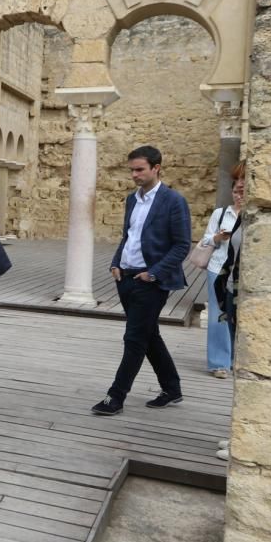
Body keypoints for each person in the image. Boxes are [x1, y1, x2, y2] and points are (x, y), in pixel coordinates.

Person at [92, 145, 191, 416]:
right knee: (149, 335)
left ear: (156, 168)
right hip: (125, 277)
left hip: (151, 281)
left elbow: (182, 246)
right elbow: (129, 236)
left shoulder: (174, 201)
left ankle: (116, 396)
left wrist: (153, 273)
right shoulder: (132, 199)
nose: (134, 175)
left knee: (134, 338)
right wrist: (115, 262)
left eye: (140, 169)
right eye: (132, 170)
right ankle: (172, 389)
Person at [200, 161, 245, 378]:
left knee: (238, 316)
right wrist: (217, 237)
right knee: (219, 316)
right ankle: (219, 363)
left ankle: (236, 359)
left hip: (242, 274)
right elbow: (206, 239)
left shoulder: (253, 216)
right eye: (236, 191)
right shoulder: (220, 213)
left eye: (243, 192)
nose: (239, 195)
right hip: (218, 269)